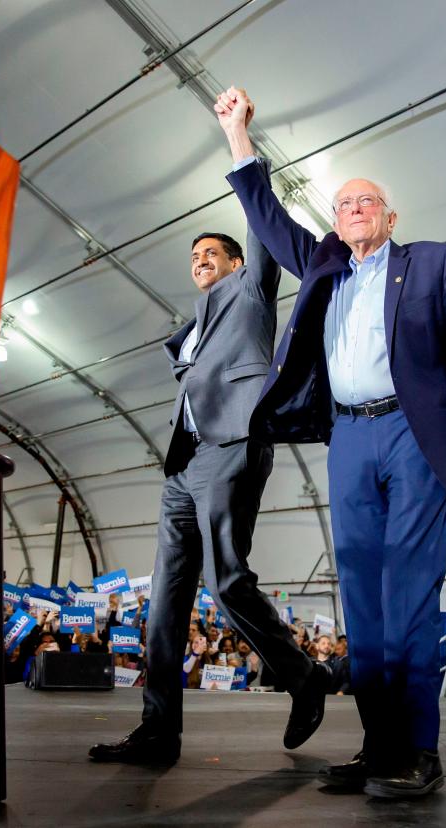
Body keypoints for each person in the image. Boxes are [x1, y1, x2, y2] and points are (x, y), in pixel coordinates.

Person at [215, 86, 446, 799]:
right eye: (342, 205)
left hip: (413, 436)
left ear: (391, 217)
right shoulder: (324, 264)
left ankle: (418, 748)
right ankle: (378, 743)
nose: (352, 211)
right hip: (348, 439)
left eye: (366, 203)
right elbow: (264, 215)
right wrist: (237, 134)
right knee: (362, 601)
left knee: (410, 597)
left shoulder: (432, 263)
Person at [89, 196, 329, 766]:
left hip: (231, 450)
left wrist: (243, 148)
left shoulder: (249, 292)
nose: (200, 259)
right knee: (163, 603)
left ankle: (306, 678)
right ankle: (157, 729)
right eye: (194, 255)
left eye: (211, 252)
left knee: (227, 583)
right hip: (183, 465)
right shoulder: (193, 326)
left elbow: (260, 224)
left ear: (239, 262)